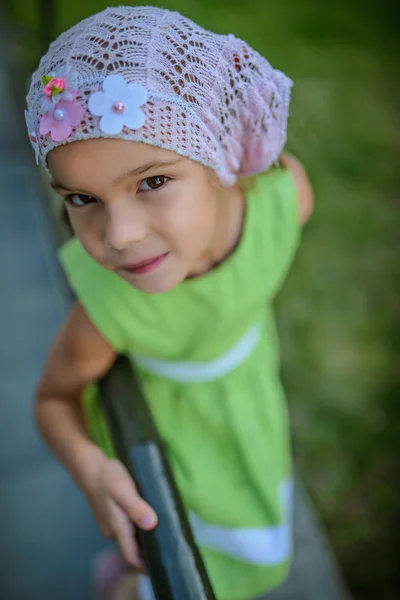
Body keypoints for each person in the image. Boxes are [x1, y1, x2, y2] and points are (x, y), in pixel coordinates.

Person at [25, 5, 313, 600]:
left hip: (250, 407)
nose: (119, 235)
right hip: (178, 452)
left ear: (221, 156)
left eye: (151, 181)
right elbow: (54, 398)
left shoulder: (284, 203)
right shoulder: (111, 310)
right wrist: (91, 469)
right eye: (82, 198)